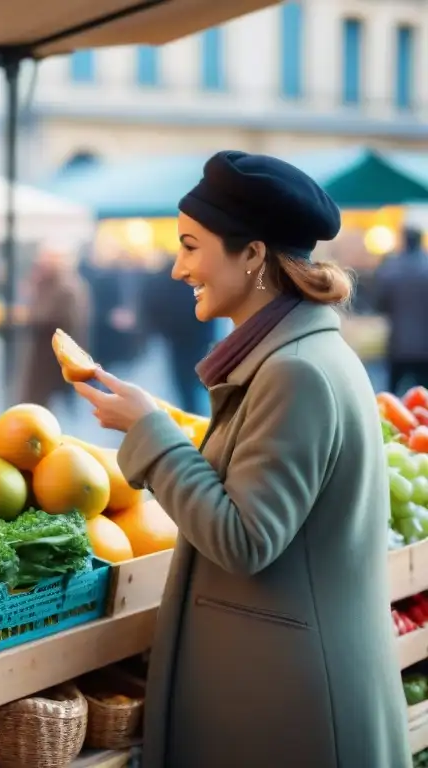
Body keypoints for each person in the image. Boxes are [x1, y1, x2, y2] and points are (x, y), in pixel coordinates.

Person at [76, 151, 408, 768]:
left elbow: (245, 538)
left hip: (288, 708)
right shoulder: (294, 357)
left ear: (252, 255)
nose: (177, 268)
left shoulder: (296, 373)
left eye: (190, 246)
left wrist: (151, 432)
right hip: (275, 686)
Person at [140, 254, 217, 416]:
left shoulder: (164, 281)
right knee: (201, 383)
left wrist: (163, 331)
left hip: (178, 341)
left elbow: (153, 306)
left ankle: (193, 416)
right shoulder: (201, 281)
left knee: (185, 385)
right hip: (197, 340)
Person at [19, 240, 90, 411]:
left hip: (54, 356)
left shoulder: (68, 288)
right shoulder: (45, 283)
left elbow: (59, 320)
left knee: (47, 404)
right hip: (42, 353)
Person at [375, 225, 428, 392]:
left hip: (398, 345)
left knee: (391, 399)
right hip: (425, 347)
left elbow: (380, 304)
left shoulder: (390, 269)